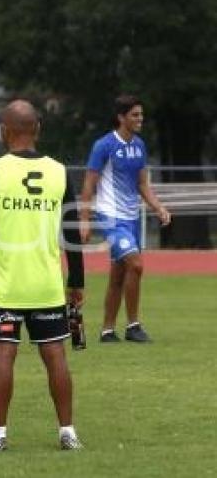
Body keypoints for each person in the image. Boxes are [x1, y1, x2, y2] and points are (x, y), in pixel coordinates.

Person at [0, 100, 85, 452]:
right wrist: (76, 281)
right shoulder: (59, 172)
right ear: (38, 129)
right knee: (55, 355)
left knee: (3, 355)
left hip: (5, 284)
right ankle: (68, 432)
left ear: (4, 131)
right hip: (46, 283)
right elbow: (72, 232)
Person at [79, 95, 171, 344]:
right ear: (121, 118)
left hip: (132, 218)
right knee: (137, 265)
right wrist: (85, 219)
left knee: (119, 274)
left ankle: (107, 331)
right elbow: (89, 184)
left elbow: (142, 183)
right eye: (135, 115)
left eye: (141, 115)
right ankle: (133, 326)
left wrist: (158, 207)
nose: (140, 119)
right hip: (110, 217)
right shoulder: (104, 146)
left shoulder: (139, 146)